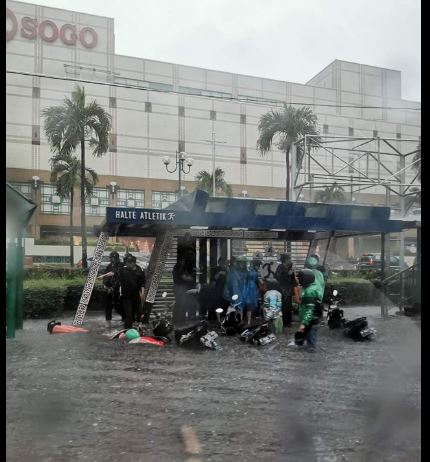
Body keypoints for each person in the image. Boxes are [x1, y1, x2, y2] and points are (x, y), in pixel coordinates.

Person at [223, 255, 256, 326]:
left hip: (247, 292)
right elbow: (231, 283)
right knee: (238, 307)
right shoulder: (233, 271)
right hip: (237, 291)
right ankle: (239, 321)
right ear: (238, 263)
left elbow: (252, 278)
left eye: (243, 262)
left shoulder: (248, 270)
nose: (242, 264)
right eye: (240, 262)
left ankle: (248, 321)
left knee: (248, 307)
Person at [118, 254, 146, 329]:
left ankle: (140, 327)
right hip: (126, 296)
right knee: (128, 313)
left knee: (139, 312)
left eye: (129, 262)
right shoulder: (122, 270)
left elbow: (143, 282)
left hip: (136, 296)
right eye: (126, 262)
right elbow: (118, 279)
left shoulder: (140, 270)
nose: (127, 264)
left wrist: (142, 291)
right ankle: (127, 329)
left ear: (133, 263)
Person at [296, 268, 321, 348]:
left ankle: (312, 359)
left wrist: (303, 323)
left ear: (305, 279)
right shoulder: (309, 288)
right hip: (310, 321)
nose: (298, 280)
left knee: (311, 346)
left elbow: (310, 310)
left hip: (310, 322)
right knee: (306, 343)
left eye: (299, 278)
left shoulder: (309, 292)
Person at [172, 250, 197, 325]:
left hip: (180, 287)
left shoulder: (181, 266)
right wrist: (190, 277)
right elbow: (183, 277)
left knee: (181, 303)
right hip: (179, 287)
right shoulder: (179, 266)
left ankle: (179, 319)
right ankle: (178, 320)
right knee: (181, 303)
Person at [100, 251, 123, 328]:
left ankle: (125, 318)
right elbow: (105, 277)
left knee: (118, 306)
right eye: (111, 258)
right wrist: (105, 286)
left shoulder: (121, 266)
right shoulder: (109, 266)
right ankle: (108, 321)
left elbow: (118, 277)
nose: (112, 260)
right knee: (108, 305)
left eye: (114, 258)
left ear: (117, 258)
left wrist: (113, 288)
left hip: (118, 289)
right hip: (108, 289)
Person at [275, 253, 297, 328]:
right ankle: (284, 323)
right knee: (284, 307)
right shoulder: (280, 267)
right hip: (283, 290)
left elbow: (292, 280)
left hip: (288, 290)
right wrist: (288, 274)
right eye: (289, 259)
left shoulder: (288, 267)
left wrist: (291, 273)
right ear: (286, 260)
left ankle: (288, 322)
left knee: (288, 307)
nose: (290, 260)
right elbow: (278, 278)